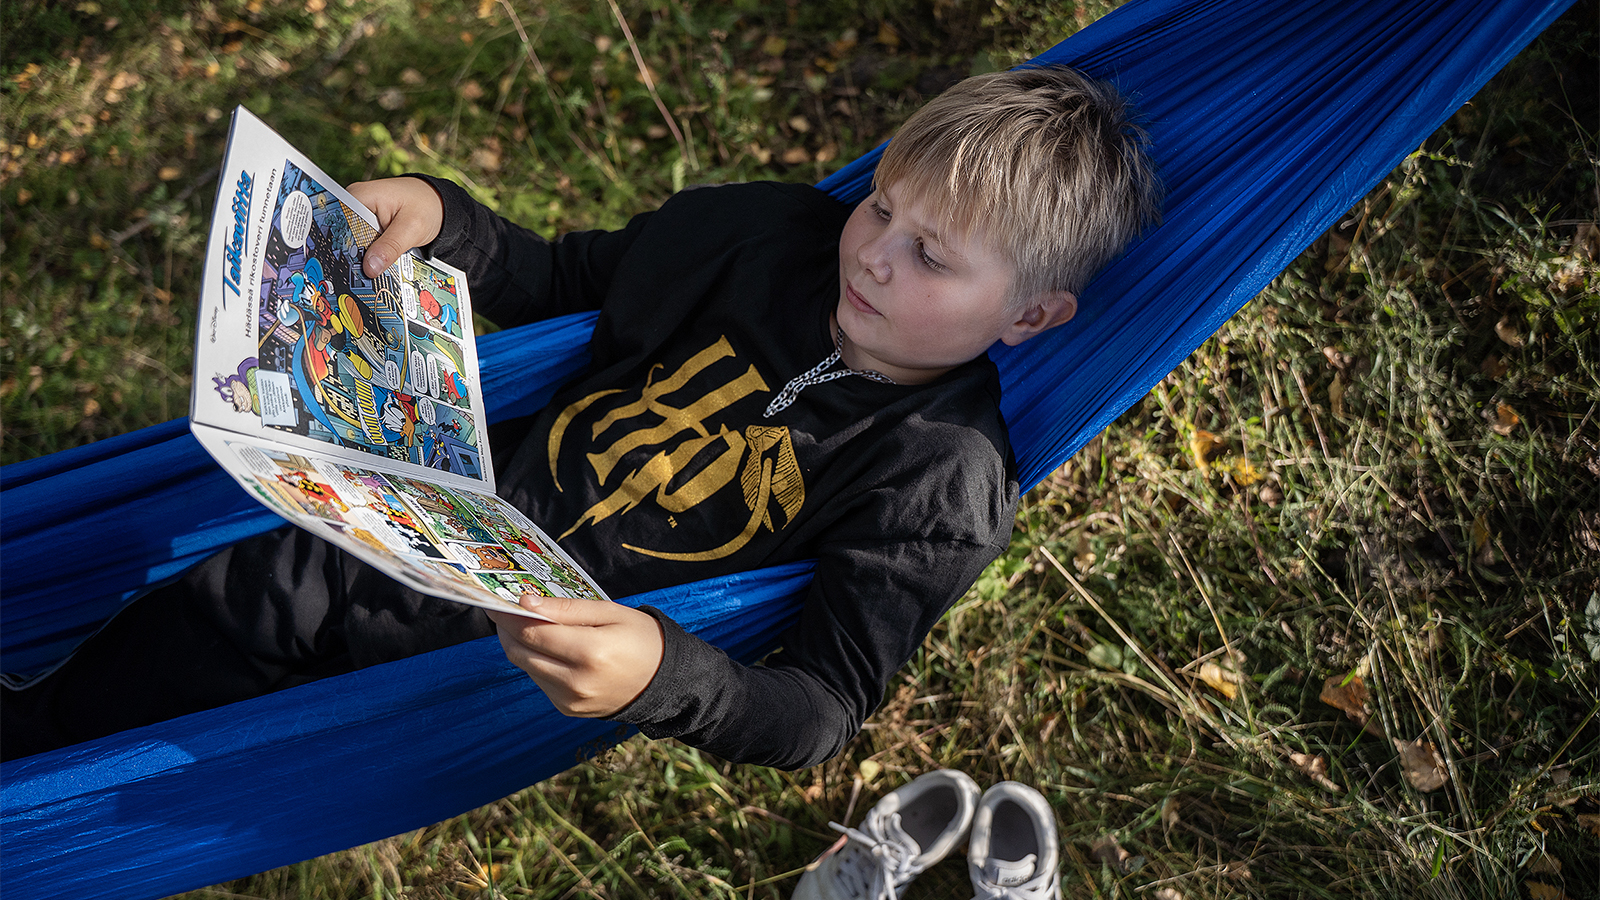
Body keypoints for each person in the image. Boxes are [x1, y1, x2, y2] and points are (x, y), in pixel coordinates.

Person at [1, 65, 1159, 767]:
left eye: (930, 254)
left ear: (1032, 316)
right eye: (881, 207)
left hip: (494, 679)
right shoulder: (764, 239)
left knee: (233, 759)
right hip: (402, 519)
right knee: (212, 612)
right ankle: (36, 755)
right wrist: (444, 217)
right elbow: (556, 279)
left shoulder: (939, 483)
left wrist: (665, 675)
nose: (874, 253)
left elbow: (821, 709)